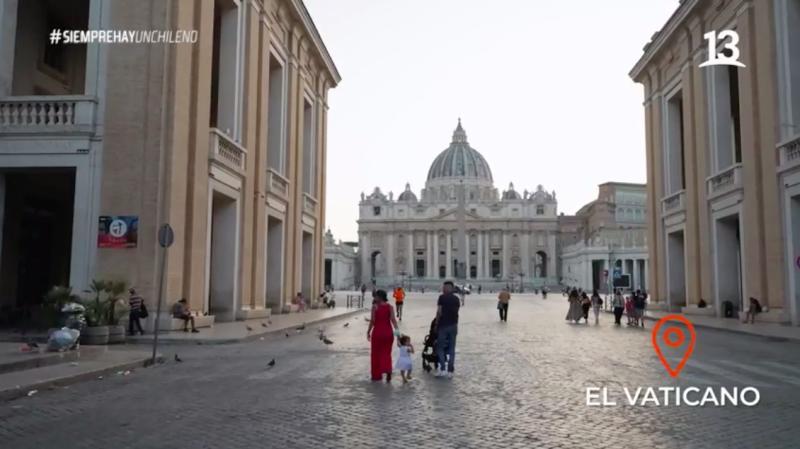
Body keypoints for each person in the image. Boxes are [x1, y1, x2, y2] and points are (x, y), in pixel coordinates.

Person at [366, 289, 399, 382]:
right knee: (386, 354)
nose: (375, 298)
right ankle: (388, 370)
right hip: (388, 334)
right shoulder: (390, 307)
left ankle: (377, 375)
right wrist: (398, 335)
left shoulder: (375, 307)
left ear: (380, 297)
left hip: (377, 333)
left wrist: (368, 331)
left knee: (376, 355)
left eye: (376, 296)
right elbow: (394, 321)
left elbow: (372, 321)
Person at [435, 281, 460, 378]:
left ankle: (442, 369)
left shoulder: (442, 297)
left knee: (440, 348)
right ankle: (450, 371)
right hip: (453, 325)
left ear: (447, 288)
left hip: (443, 325)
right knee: (452, 348)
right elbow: (456, 311)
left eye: (444, 287)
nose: (443, 289)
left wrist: (436, 323)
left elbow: (439, 312)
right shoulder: (456, 299)